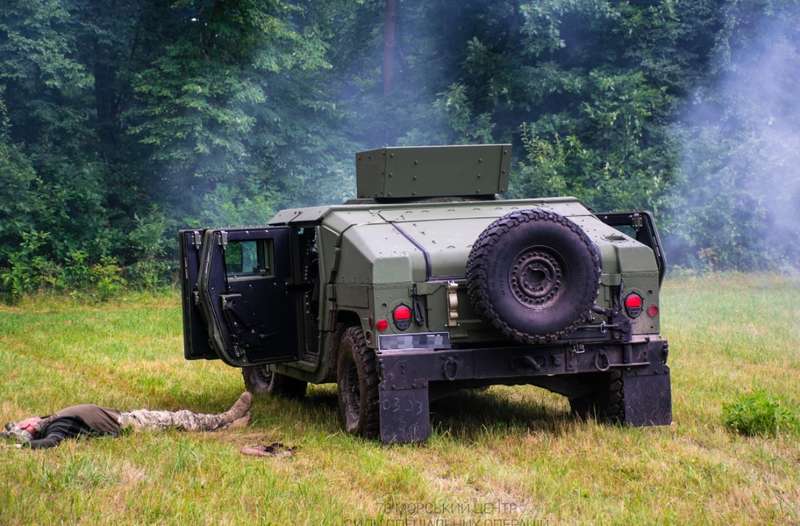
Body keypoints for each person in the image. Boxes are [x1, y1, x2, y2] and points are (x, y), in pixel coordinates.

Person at [1, 392, 252, 449]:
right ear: (31, 430)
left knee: (179, 423)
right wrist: (22, 445)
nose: (27, 419)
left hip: (127, 416)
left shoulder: (50, 420)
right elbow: (51, 442)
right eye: (25, 424)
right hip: (131, 423)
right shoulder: (57, 427)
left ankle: (232, 425)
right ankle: (226, 418)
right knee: (182, 418)